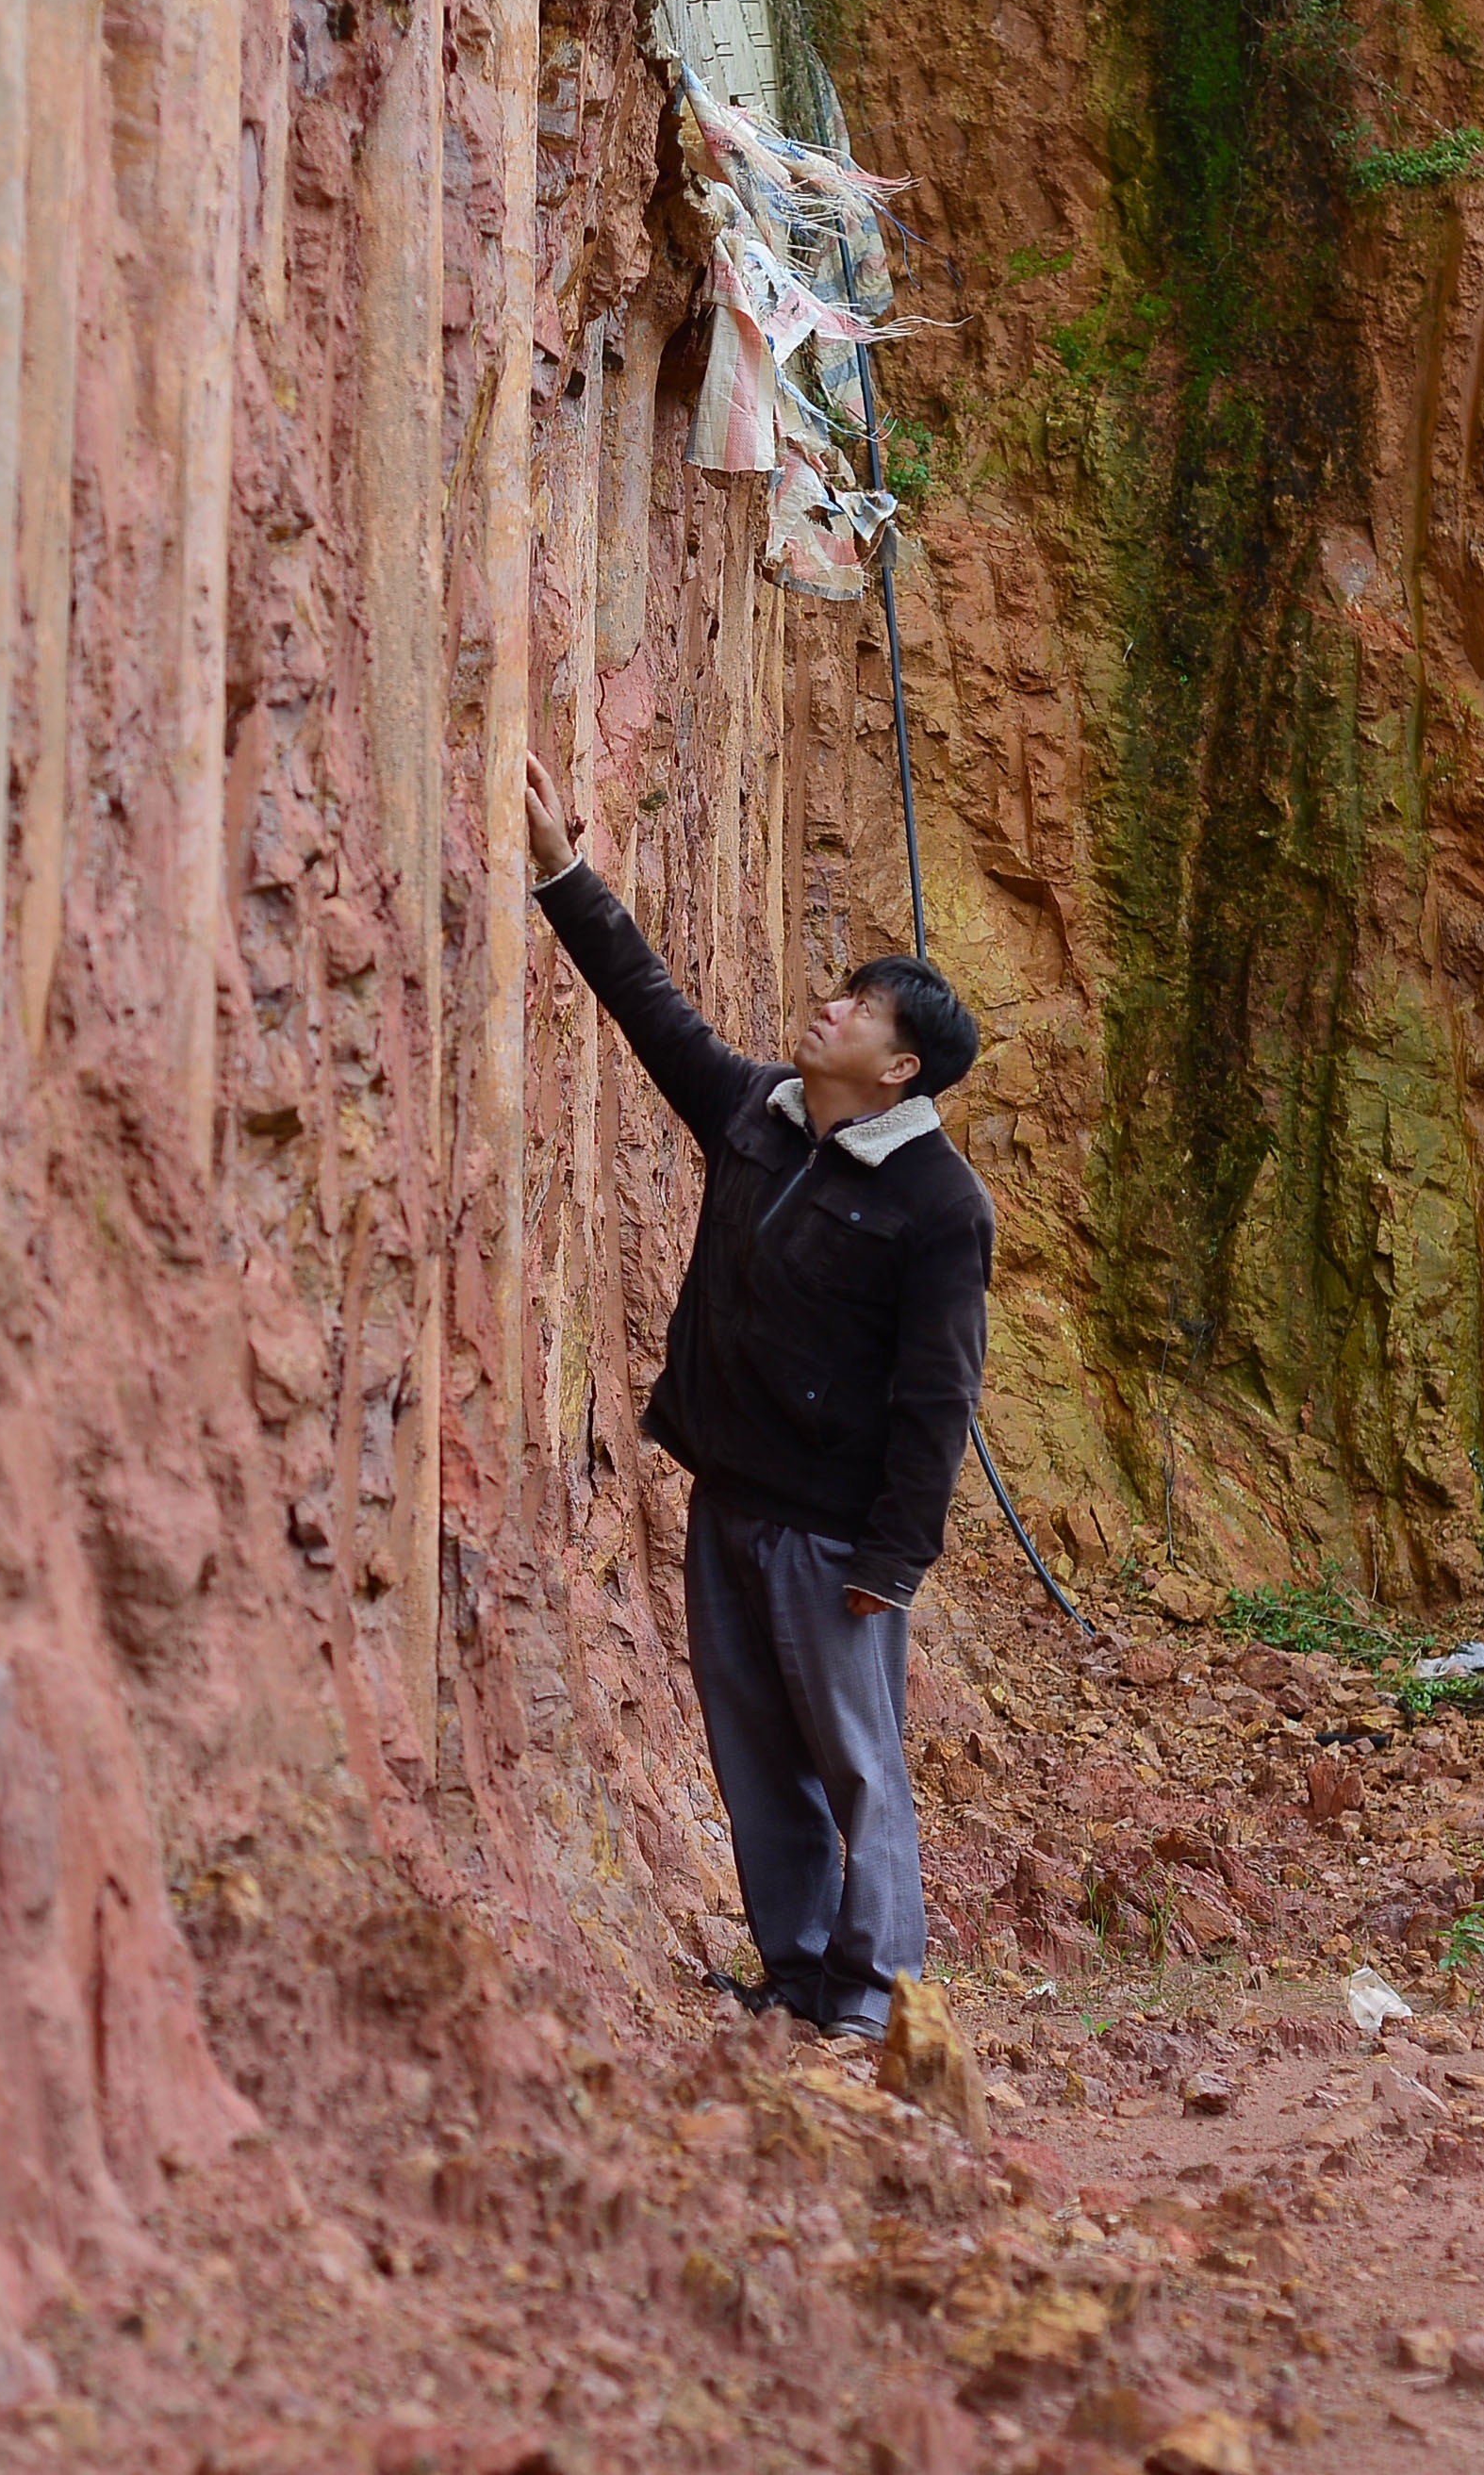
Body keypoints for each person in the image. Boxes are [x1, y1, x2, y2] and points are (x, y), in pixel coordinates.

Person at [520, 750, 992, 2045]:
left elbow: (937, 1395)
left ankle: (873, 2008)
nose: (830, 1011)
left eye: (860, 1011)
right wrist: (562, 871)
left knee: (854, 1769)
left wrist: (894, 1558)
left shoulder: (937, 1206)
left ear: (900, 1070)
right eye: (842, 995)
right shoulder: (759, 1114)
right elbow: (647, 1007)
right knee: (753, 1759)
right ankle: (795, 1980)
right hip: (729, 1499)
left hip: (837, 1537)